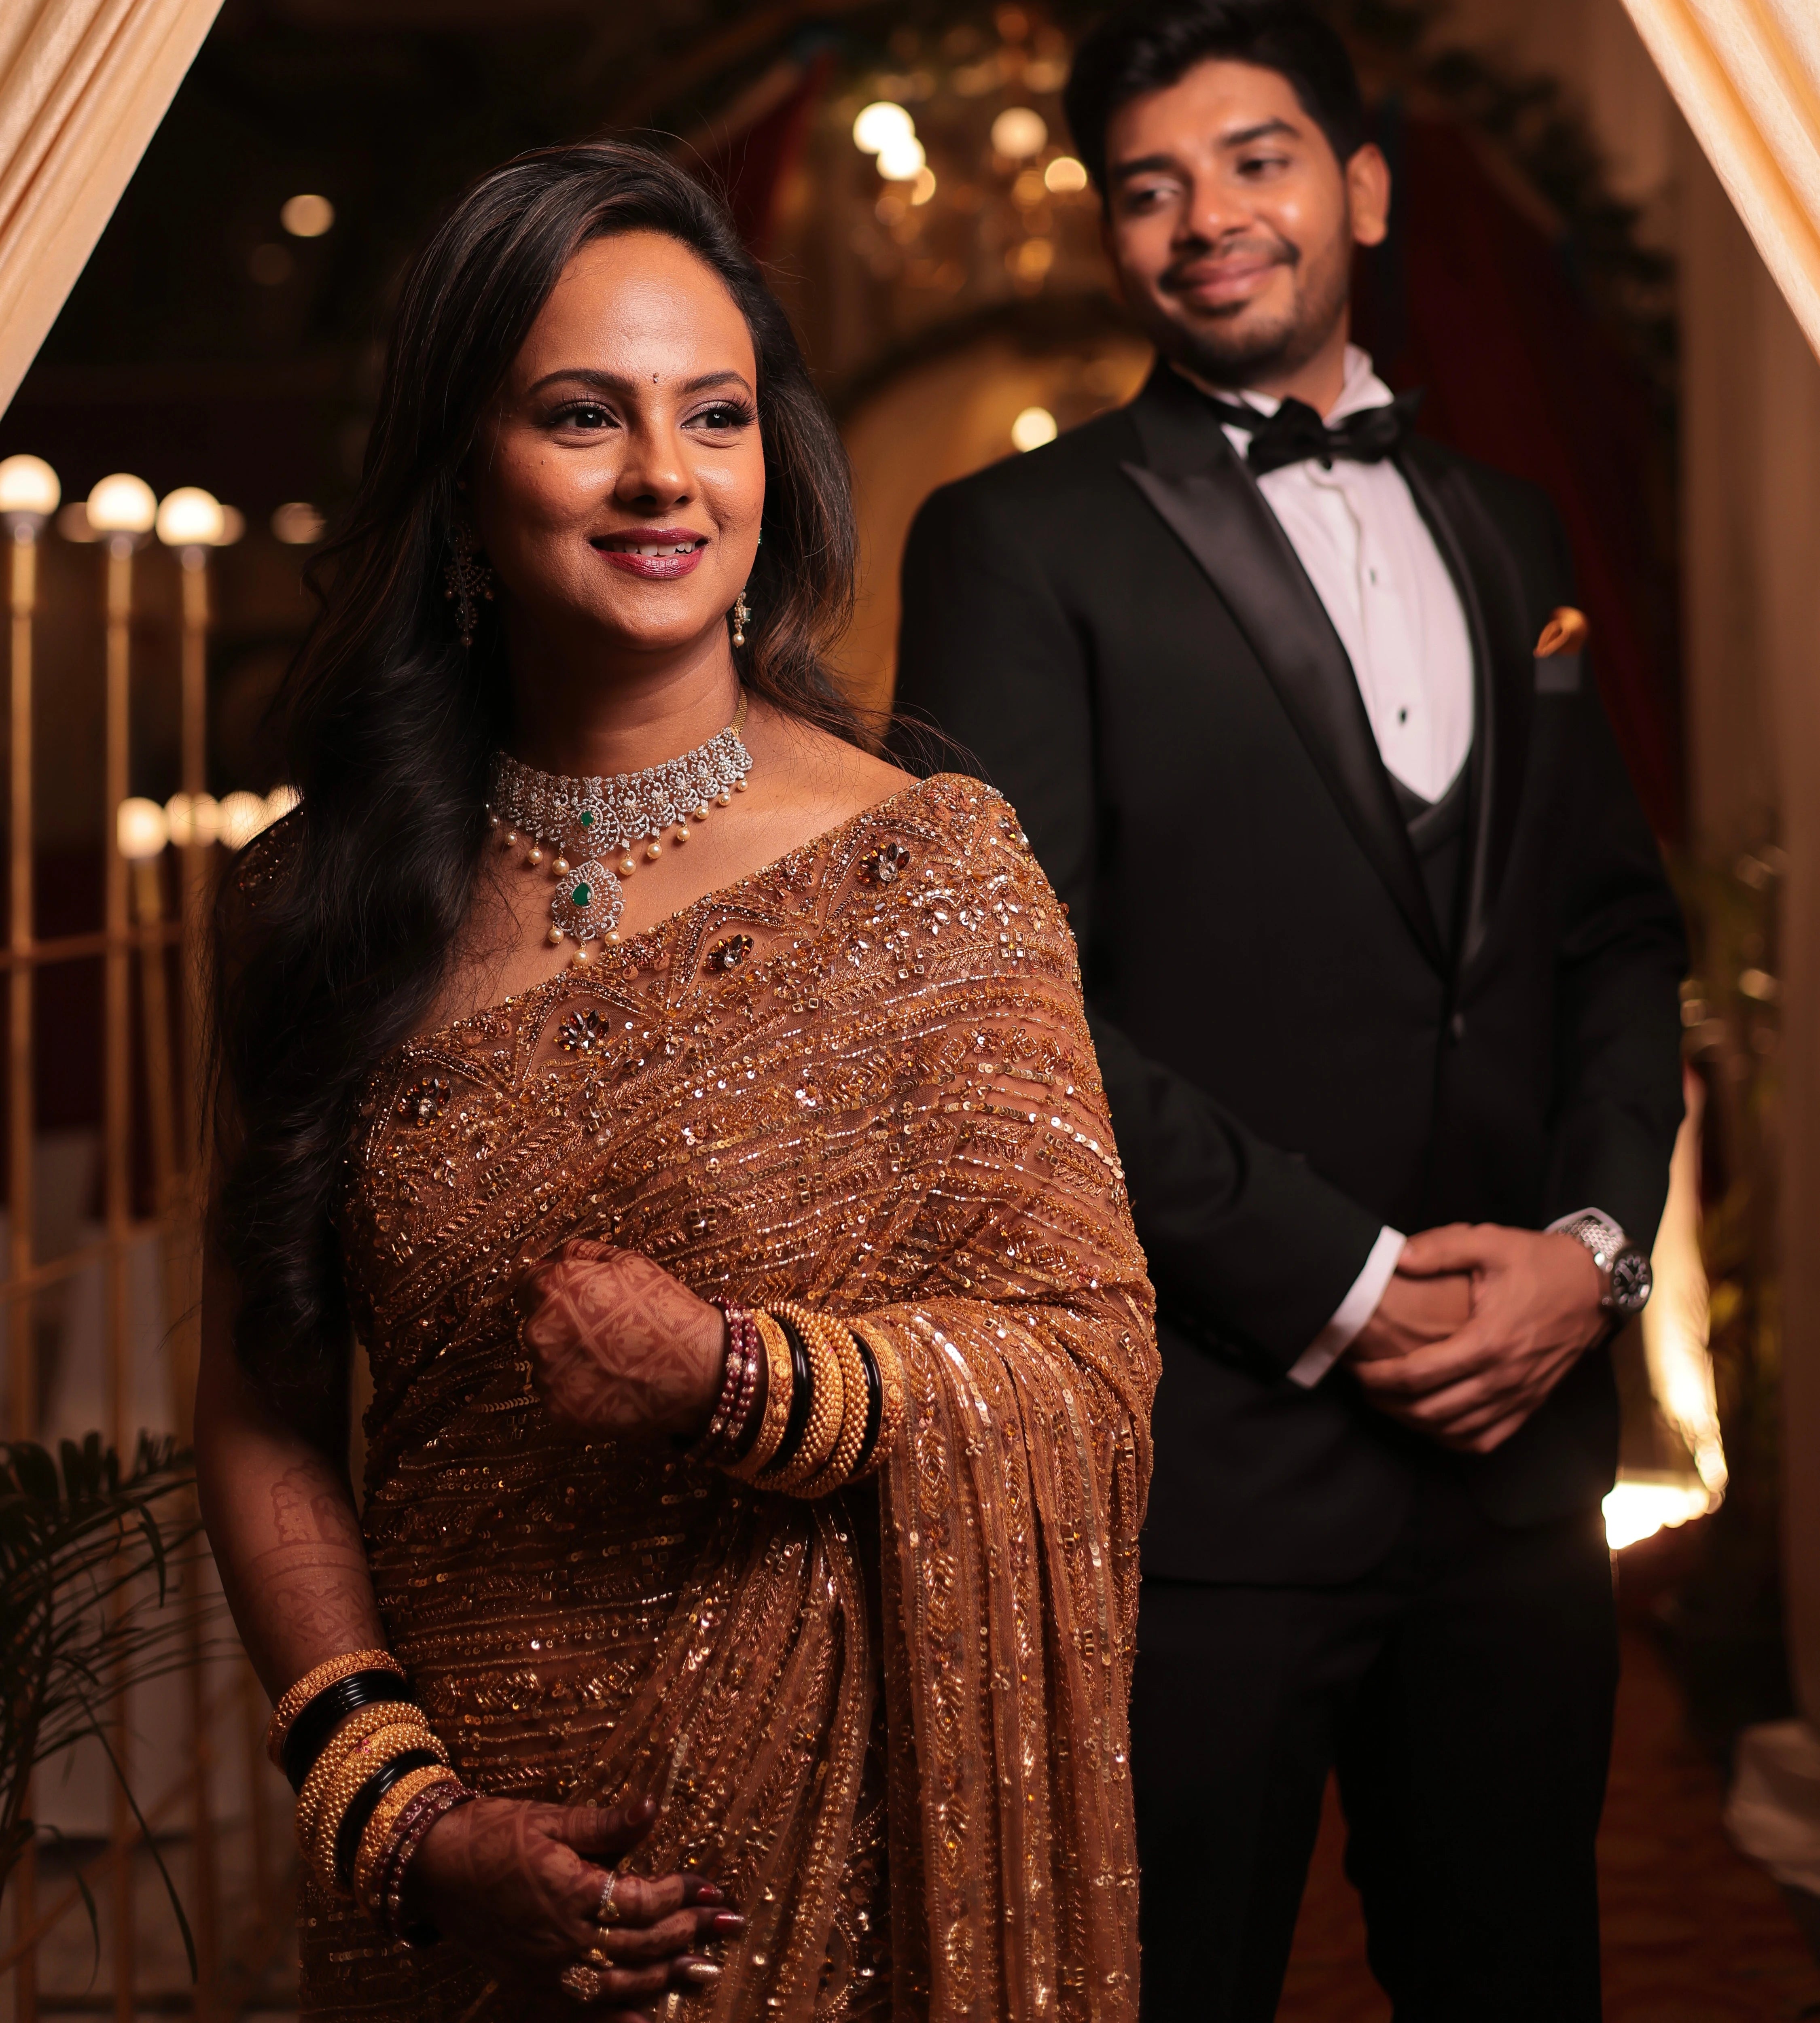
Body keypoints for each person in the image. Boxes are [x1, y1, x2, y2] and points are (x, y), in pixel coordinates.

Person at [195, 142, 1157, 2023]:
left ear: (768, 463)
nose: (663, 476)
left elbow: (1083, 1356)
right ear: (465, 484)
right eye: (582, 415)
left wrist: (739, 1374)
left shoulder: (927, 872)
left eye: (713, 415)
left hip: (838, 1860)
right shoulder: (314, 906)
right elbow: (261, 1410)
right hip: (464, 1897)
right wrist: (406, 1816)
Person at [890, 5, 1687, 2018]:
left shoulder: (1513, 524)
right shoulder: (1015, 541)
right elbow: (1010, 1007)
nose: (1204, 219)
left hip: (1519, 1467)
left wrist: (1590, 1258)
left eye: (1253, 159)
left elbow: (1610, 935)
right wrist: (1345, 1283)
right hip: (1208, 1473)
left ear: (1364, 182)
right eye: (1147, 185)